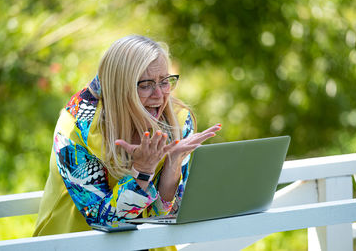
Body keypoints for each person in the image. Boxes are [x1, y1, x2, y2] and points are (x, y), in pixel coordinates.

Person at [33, 35, 221, 249]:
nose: (159, 95)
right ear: (119, 87)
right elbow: (102, 222)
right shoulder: (75, 128)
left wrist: (172, 165)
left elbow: (163, 214)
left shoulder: (177, 121)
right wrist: (142, 170)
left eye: (164, 81)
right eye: (146, 85)